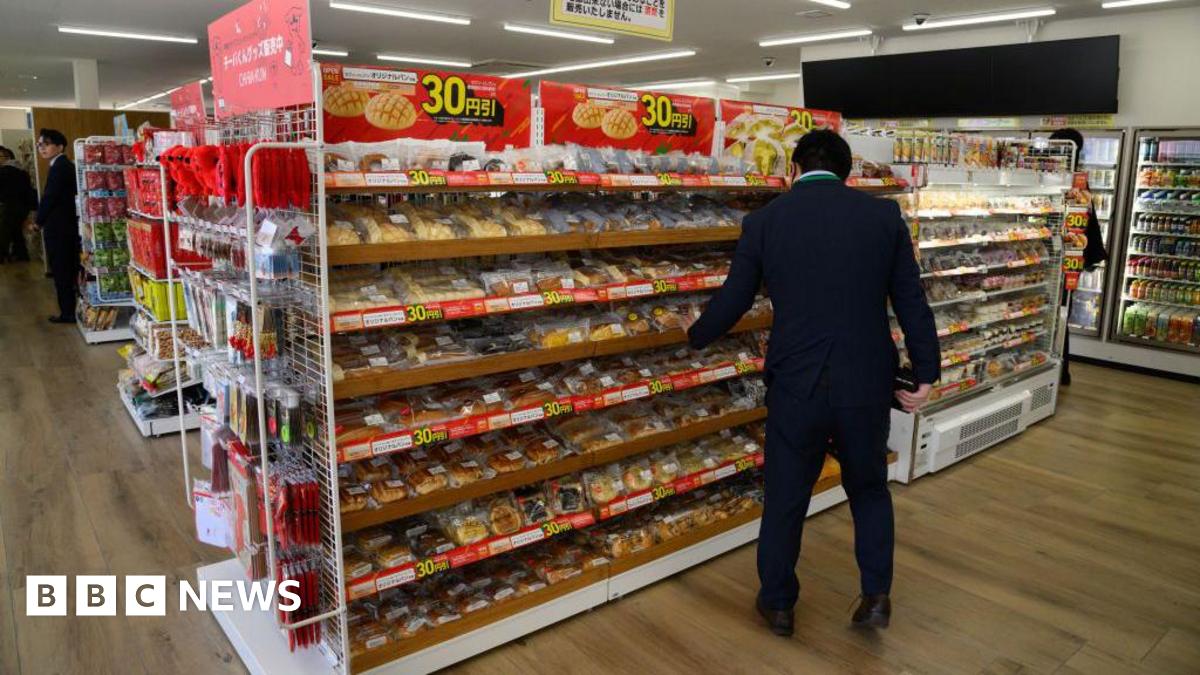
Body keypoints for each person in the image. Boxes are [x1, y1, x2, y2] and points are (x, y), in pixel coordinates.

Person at [684, 130, 940, 636]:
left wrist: (694, 335)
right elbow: (912, 300)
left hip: (796, 382)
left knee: (784, 495)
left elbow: (734, 299)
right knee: (868, 489)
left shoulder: (764, 221)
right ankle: (875, 596)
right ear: (847, 173)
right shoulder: (882, 217)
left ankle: (778, 603)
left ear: (795, 169)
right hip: (865, 382)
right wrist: (927, 372)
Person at [1048, 128, 1108, 386]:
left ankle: (1058, 369)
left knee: (1058, 312)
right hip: (1070, 256)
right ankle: (1060, 370)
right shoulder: (1076, 182)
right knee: (1060, 311)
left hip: (1063, 258)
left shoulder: (1070, 182)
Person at [32, 128, 80, 323]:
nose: (42, 148)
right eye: (40, 145)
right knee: (65, 270)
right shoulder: (60, 165)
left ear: (60, 146)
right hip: (63, 227)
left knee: (62, 271)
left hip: (60, 229)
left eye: (46, 144)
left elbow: (49, 198)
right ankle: (69, 310)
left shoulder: (60, 167)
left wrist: (38, 221)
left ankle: (68, 313)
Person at [0, 145, 36, 262]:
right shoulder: (22, 171)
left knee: (5, 232)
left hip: (9, 206)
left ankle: (3, 256)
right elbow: (28, 189)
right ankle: (22, 255)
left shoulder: (3, 172)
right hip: (22, 207)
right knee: (16, 231)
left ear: (5, 157)